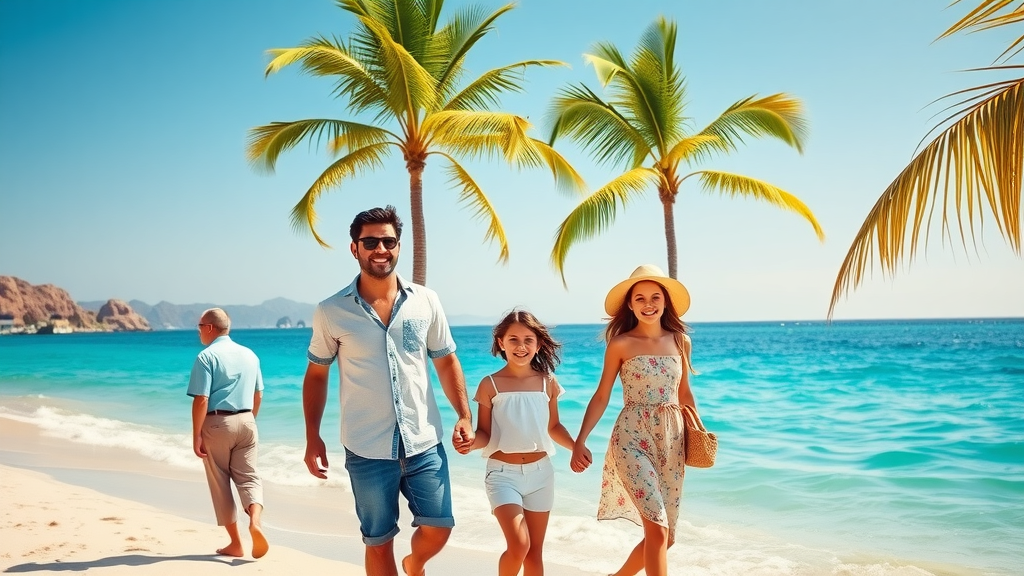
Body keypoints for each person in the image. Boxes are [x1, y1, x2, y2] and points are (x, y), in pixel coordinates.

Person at [301, 205, 474, 576]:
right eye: (370, 242)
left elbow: (446, 361)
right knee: (378, 541)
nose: (380, 249)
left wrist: (464, 414)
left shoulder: (426, 301)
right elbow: (316, 375)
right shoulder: (331, 311)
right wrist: (312, 436)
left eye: (389, 242)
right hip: (366, 447)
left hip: (423, 440)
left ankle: (414, 563)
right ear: (355, 248)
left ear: (398, 246)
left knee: (440, 526)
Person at [570, 265, 700, 576]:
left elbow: (684, 393)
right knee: (657, 529)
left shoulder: (681, 341)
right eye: (640, 298)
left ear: (665, 302)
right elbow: (602, 395)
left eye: (655, 297)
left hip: (672, 440)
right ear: (630, 304)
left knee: (666, 537)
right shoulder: (621, 344)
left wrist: (698, 432)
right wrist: (580, 440)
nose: (648, 304)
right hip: (632, 437)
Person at [468, 309, 576, 576]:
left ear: (538, 345)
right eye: (513, 340)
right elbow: (484, 434)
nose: (521, 346)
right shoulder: (490, 384)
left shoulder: (548, 382)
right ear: (501, 343)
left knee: (534, 553)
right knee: (519, 545)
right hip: (502, 475)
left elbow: (554, 427)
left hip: (542, 475)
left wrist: (576, 447)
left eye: (528, 340)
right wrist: (469, 442)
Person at [186, 307, 269, 559]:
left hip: (217, 423)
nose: (199, 331)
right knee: (249, 477)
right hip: (247, 421)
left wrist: (196, 434)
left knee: (220, 482)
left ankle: (236, 543)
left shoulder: (206, 357)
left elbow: (201, 399)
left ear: (210, 328)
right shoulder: (250, 355)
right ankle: (255, 521)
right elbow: (258, 394)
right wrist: (248, 420)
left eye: (200, 326)